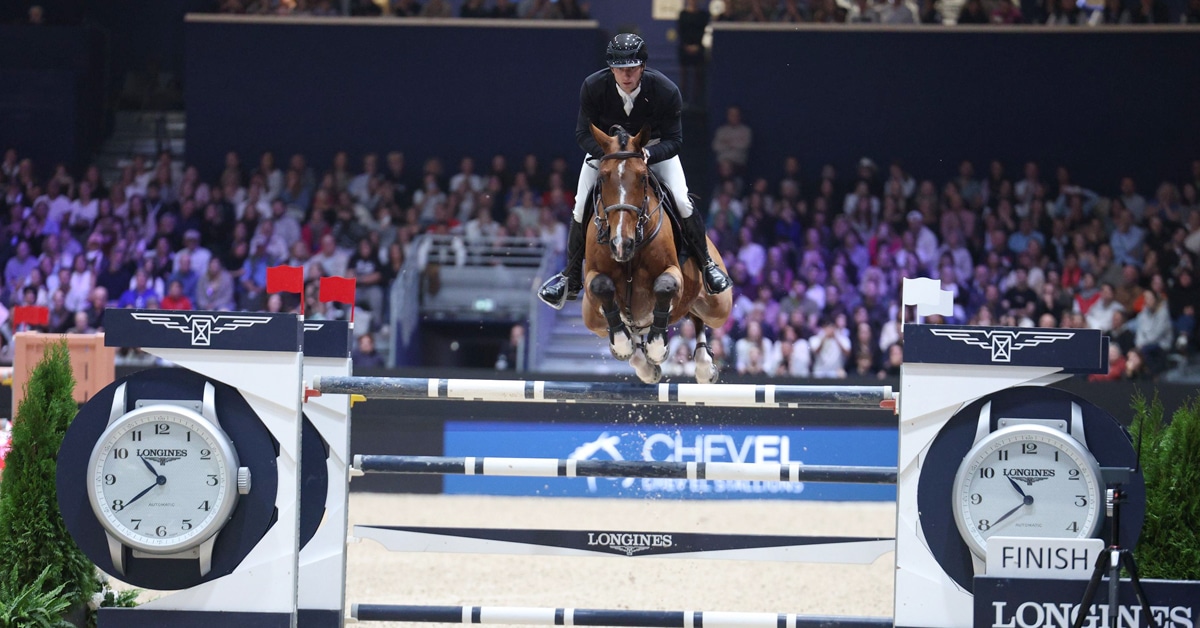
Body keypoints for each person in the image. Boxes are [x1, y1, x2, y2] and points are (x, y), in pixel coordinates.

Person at [537, 33, 732, 310]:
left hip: (650, 151)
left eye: (632, 68)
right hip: (607, 152)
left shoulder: (664, 90)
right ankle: (570, 278)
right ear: (611, 68)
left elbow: (675, 141)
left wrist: (648, 154)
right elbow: (582, 133)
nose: (626, 74)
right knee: (581, 205)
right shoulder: (593, 87)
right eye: (619, 68)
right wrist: (610, 154)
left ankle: (708, 266)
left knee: (681, 199)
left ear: (642, 67)